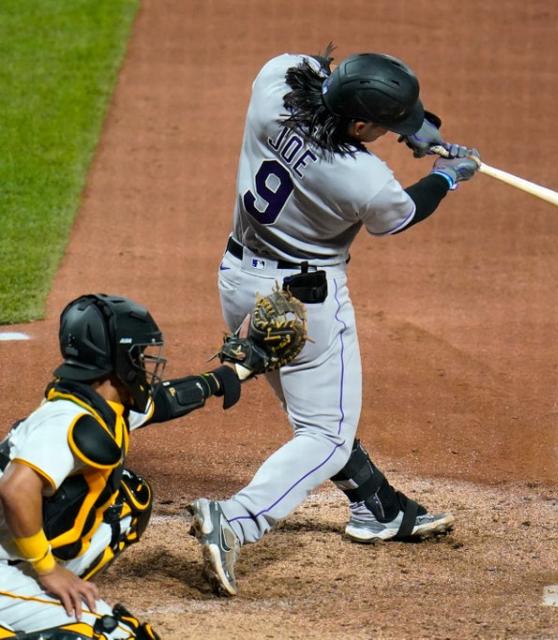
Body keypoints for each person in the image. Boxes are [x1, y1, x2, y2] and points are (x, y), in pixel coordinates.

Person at [188, 43, 480, 597]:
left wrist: (413, 129)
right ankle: (237, 520)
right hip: (304, 305)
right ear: (362, 122)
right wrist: (448, 175)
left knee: (319, 414)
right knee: (325, 431)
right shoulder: (362, 179)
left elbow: (320, 73)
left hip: (239, 283)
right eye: (387, 126)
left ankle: (378, 508)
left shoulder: (275, 82)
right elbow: (403, 213)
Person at [0, 294, 244, 639]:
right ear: (117, 359)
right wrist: (48, 570)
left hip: (10, 547)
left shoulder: (95, 401)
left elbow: (162, 401)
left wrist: (226, 376)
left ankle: (29, 603)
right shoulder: (67, 421)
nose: (146, 364)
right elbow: (15, 489)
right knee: (118, 635)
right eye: (139, 355)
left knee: (127, 501)